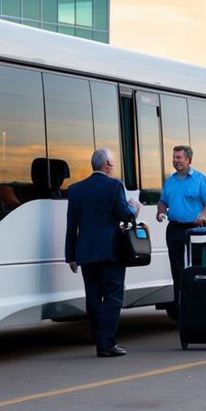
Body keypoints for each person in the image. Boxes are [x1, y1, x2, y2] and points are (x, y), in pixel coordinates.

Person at [65, 148, 140, 357]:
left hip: (86, 251)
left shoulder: (76, 190)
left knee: (93, 296)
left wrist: (70, 255)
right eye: (113, 164)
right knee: (114, 297)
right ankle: (106, 343)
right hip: (110, 250)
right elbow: (125, 216)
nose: (113, 168)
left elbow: (72, 225)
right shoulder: (114, 186)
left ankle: (99, 338)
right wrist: (135, 208)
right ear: (107, 164)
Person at [156, 145, 206, 314]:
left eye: (179, 157)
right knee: (177, 270)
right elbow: (163, 201)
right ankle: (181, 309)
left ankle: (199, 309)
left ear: (188, 160)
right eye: (174, 157)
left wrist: (203, 215)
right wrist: (161, 212)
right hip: (174, 229)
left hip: (195, 230)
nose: (175, 161)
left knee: (196, 270)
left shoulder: (200, 178)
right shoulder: (170, 181)